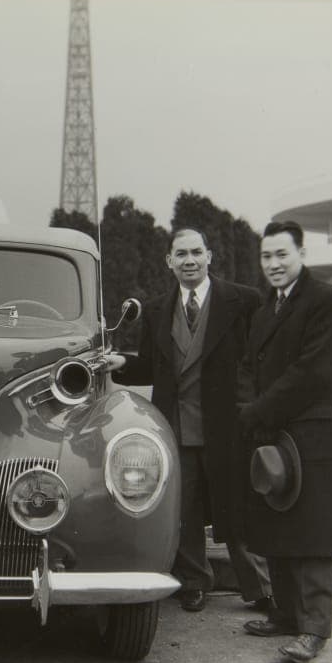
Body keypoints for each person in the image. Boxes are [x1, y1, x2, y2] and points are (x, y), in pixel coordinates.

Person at [109, 228, 272, 613]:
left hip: (228, 427)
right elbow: (151, 366)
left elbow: (261, 360)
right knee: (183, 510)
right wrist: (122, 364)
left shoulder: (243, 301)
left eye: (196, 252)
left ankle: (262, 589)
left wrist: (254, 408)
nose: (189, 261)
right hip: (176, 428)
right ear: (169, 261)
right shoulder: (156, 309)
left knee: (237, 509)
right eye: (180, 254)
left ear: (210, 256)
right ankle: (194, 582)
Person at [238, 220, 332, 663]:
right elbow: (247, 371)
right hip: (275, 432)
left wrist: (257, 412)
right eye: (266, 256)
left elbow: (311, 373)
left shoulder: (325, 301)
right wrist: (247, 407)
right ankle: (285, 614)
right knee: (277, 522)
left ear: (301, 255)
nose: (273, 264)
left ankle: (313, 629)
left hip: (314, 433)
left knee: (315, 532)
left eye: (282, 255)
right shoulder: (264, 310)